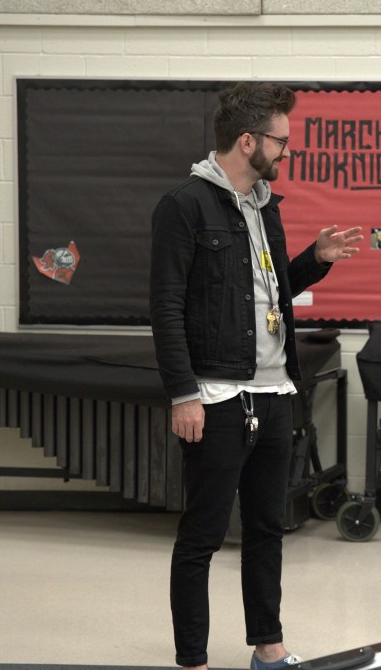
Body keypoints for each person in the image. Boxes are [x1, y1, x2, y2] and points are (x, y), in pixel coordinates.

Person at [149, 82, 362, 670]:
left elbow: (271, 293)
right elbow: (166, 307)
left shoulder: (265, 205)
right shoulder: (184, 206)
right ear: (248, 142)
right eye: (281, 141)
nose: (287, 151)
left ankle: (269, 648)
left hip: (274, 390)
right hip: (217, 395)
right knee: (202, 535)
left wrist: (314, 259)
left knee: (268, 528)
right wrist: (183, 394)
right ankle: (192, 660)